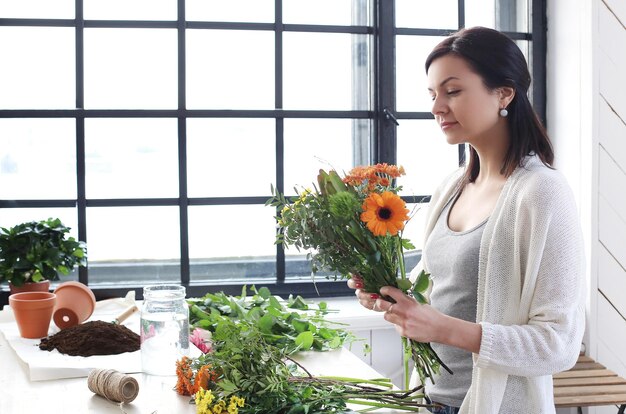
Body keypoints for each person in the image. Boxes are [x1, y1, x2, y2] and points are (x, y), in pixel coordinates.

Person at [348, 27, 586, 414]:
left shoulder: (542, 193)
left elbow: (558, 343)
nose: (437, 106)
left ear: (504, 93)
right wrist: (388, 297)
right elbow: (440, 295)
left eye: (453, 91)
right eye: (432, 95)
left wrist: (444, 329)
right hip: (429, 402)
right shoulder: (452, 187)